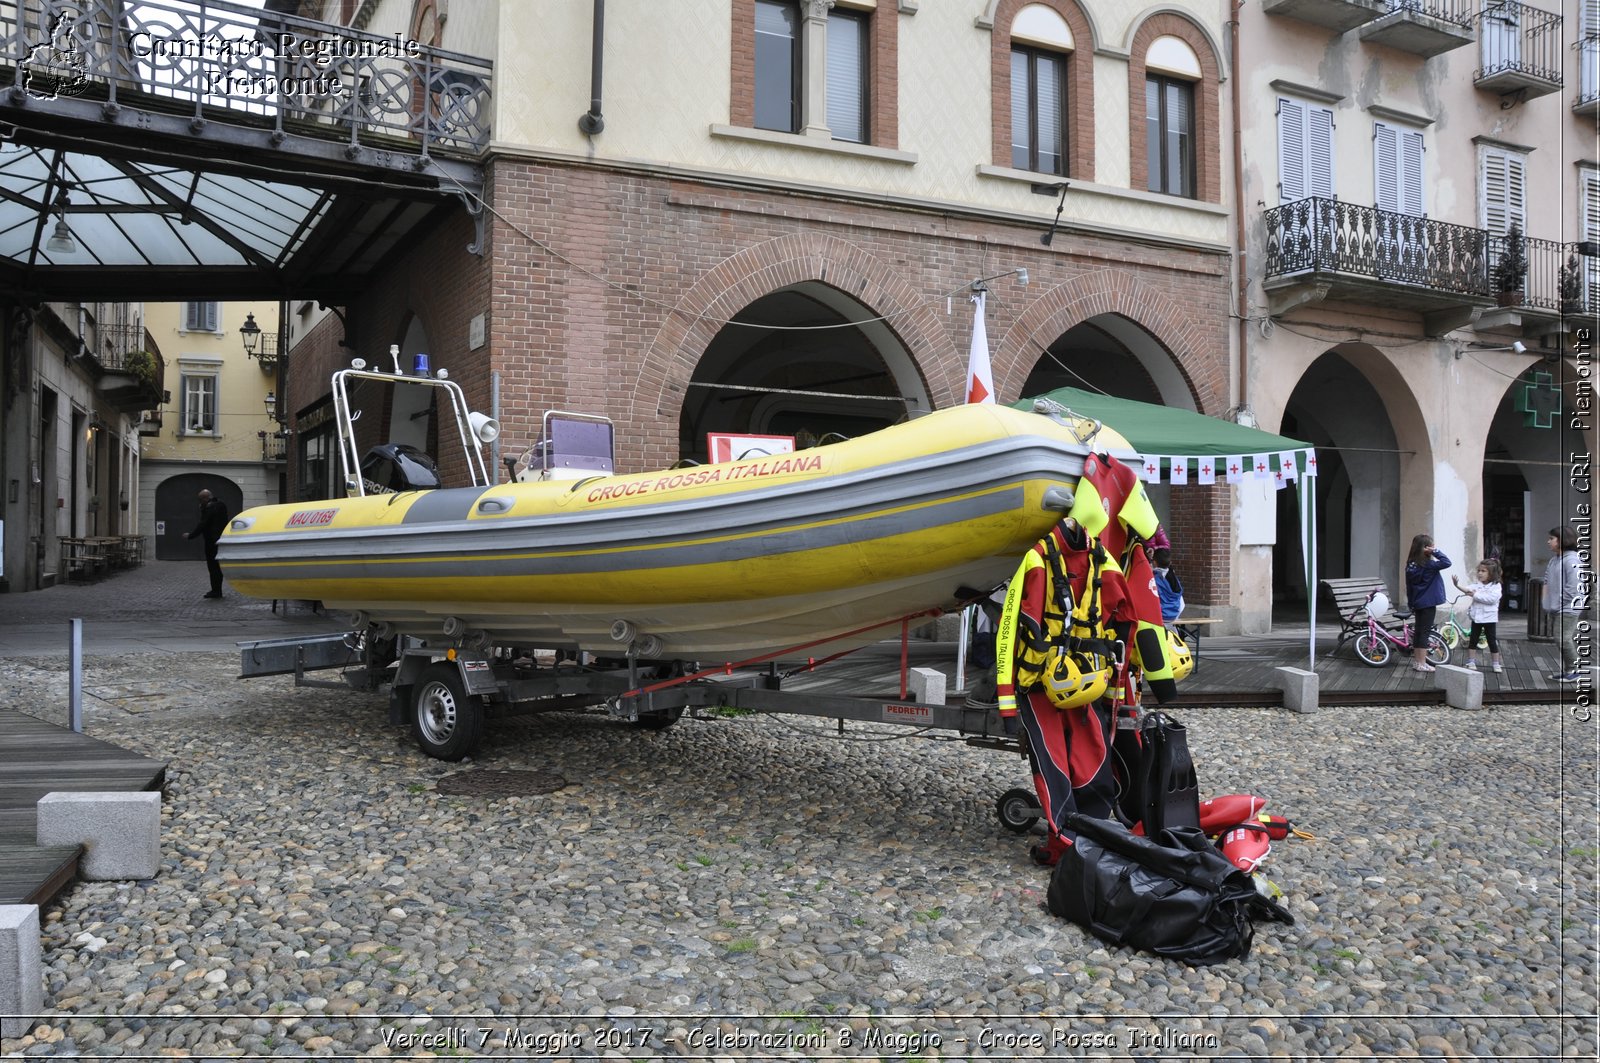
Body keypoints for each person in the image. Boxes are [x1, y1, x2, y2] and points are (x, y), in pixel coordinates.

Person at [1543, 526, 1588, 683]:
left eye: (1551, 539)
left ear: (1562, 540)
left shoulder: (1572, 560)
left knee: (1562, 638)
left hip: (1569, 607)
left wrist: (1557, 603)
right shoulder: (1554, 560)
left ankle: (1575, 670)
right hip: (1557, 606)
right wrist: (1547, 602)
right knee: (1559, 639)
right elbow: (1547, 581)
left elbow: (1573, 587)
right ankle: (1568, 670)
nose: (1548, 542)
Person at [1403, 533, 1450, 673]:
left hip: (1417, 603)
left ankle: (1418, 662)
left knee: (1418, 633)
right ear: (1426, 548)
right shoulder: (1429, 565)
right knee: (1424, 634)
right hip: (1428, 604)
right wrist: (1435, 552)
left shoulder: (1410, 565)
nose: (1433, 548)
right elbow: (1447, 562)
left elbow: (1409, 587)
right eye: (1431, 546)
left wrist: (1411, 603)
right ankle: (1422, 663)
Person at [1452, 558, 1503, 673]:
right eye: (1479, 571)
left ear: (1491, 573)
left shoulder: (1496, 586)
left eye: (1483, 571)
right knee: (1473, 639)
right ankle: (1471, 661)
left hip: (1489, 618)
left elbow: (1491, 599)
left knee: (1492, 640)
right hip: (1477, 617)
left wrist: (1475, 595)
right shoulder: (1477, 585)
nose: (1480, 573)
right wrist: (1457, 585)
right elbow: (1467, 589)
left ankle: (1496, 663)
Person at [186, 488, 230, 599]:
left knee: (213, 567)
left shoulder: (210, 507)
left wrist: (190, 536)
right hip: (220, 539)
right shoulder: (221, 504)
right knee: (217, 566)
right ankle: (217, 590)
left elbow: (203, 524)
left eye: (201, 500)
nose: (200, 502)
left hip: (211, 541)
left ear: (206, 498)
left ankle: (216, 591)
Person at [1150, 546, 1184, 626]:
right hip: (1174, 614)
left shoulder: (1153, 578)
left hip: (1161, 615)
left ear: (1154, 562)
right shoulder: (1173, 578)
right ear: (1170, 562)